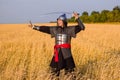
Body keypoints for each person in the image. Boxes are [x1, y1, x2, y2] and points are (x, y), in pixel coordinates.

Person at [29, 12, 85, 77]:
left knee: (70, 73)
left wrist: (77, 18)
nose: (59, 21)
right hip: (57, 53)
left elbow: (82, 27)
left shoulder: (70, 29)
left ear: (64, 21)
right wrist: (34, 27)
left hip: (67, 53)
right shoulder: (55, 29)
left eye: (60, 20)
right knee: (54, 72)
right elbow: (45, 29)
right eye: (58, 20)